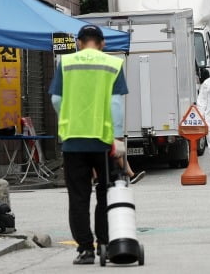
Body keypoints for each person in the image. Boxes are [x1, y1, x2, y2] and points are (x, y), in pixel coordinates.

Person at [49, 25, 127, 265]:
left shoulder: (66, 63)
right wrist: (117, 138)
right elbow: (115, 105)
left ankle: (85, 250)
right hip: (103, 142)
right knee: (106, 194)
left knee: (79, 197)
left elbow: (56, 99)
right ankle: (105, 244)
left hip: (73, 142)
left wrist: (70, 119)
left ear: (79, 43)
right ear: (102, 44)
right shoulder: (113, 65)